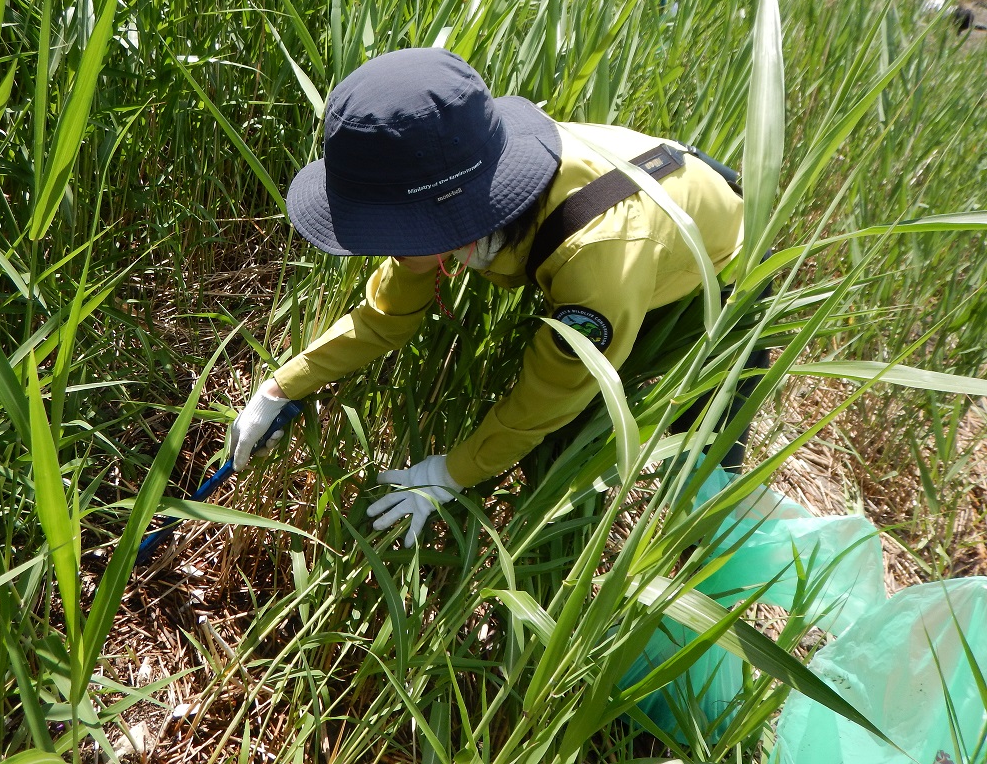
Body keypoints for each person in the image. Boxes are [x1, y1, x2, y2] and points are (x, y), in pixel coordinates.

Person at [230, 48, 745, 547]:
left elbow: (553, 395)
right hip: (639, 230)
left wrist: (449, 473)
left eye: (388, 229)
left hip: (715, 279)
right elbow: (387, 317)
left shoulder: (596, 258)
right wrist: (282, 387)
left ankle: (707, 552)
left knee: (700, 457)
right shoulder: (459, 165)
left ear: (450, 218)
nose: (384, 247)